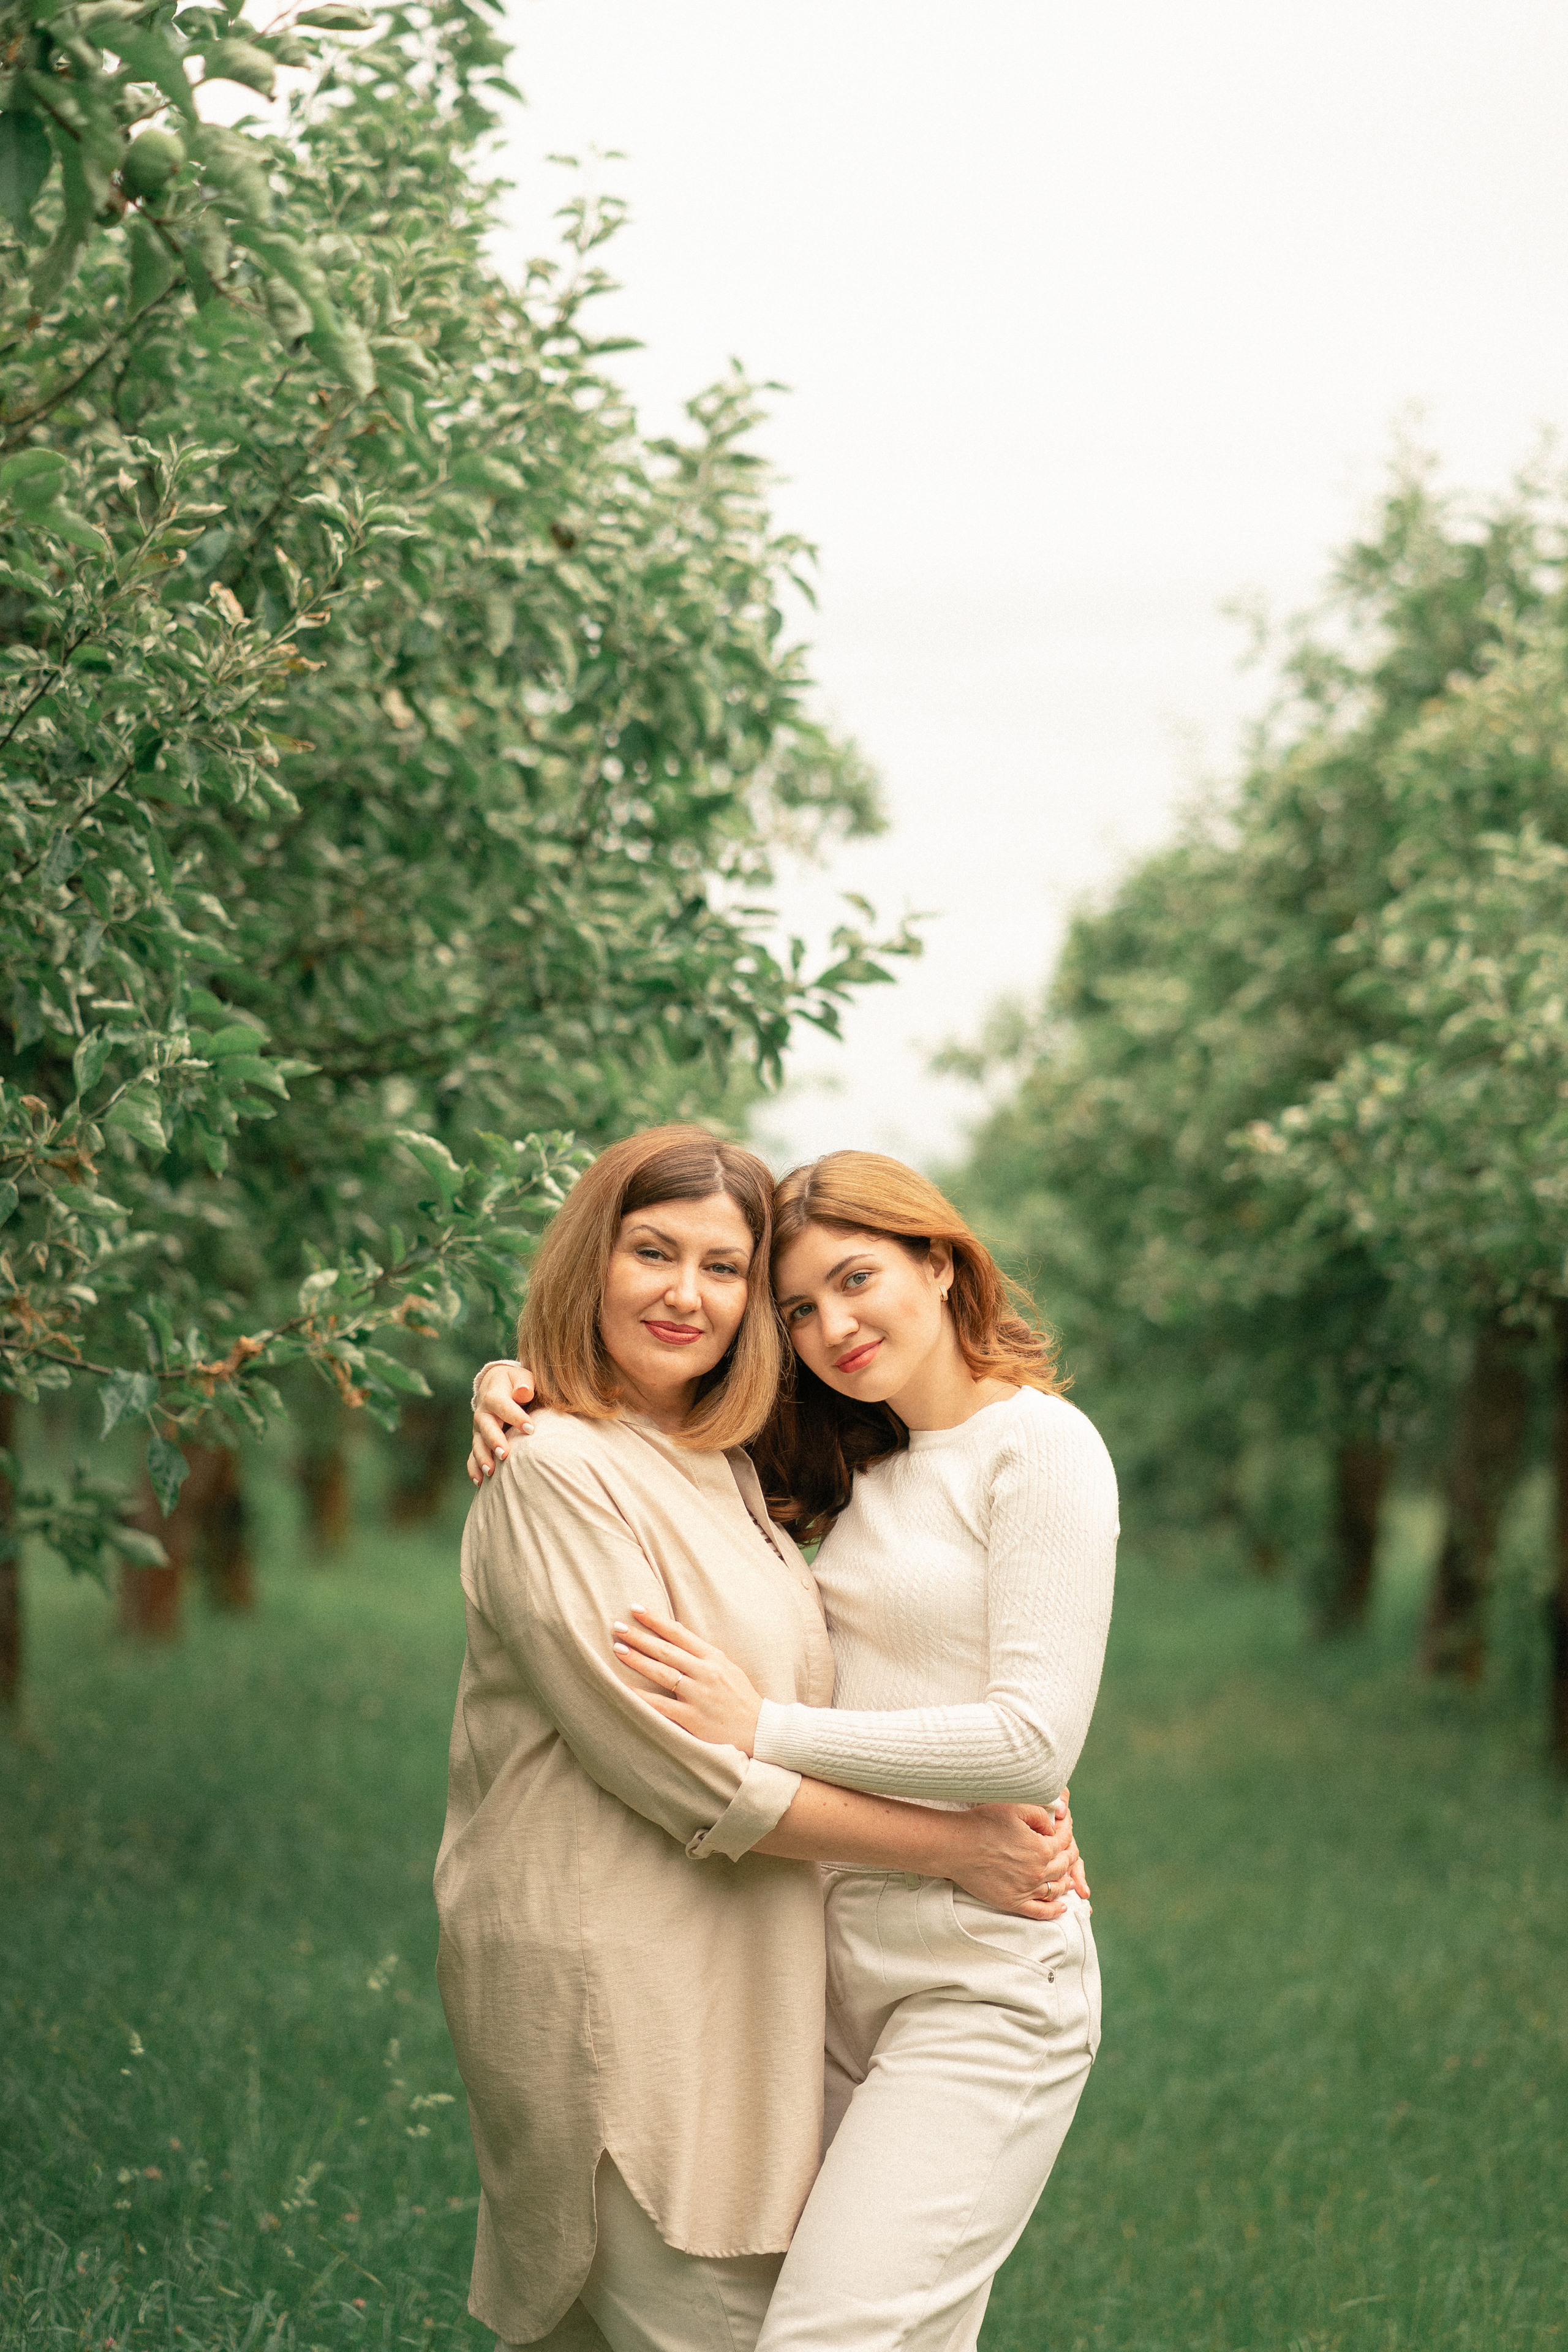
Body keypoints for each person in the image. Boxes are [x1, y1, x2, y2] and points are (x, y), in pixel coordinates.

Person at [440, 1128, 1079, 2352]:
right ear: (593, 1260)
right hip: (616, 1997)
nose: (686, 1293)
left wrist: (991, 1778)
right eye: (651, 1252)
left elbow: (900, 1653)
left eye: (724, 1270)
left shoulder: (724, 1468)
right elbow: (694, 1774)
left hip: (737, 1991)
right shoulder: (554, 1472)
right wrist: (958, 1849)